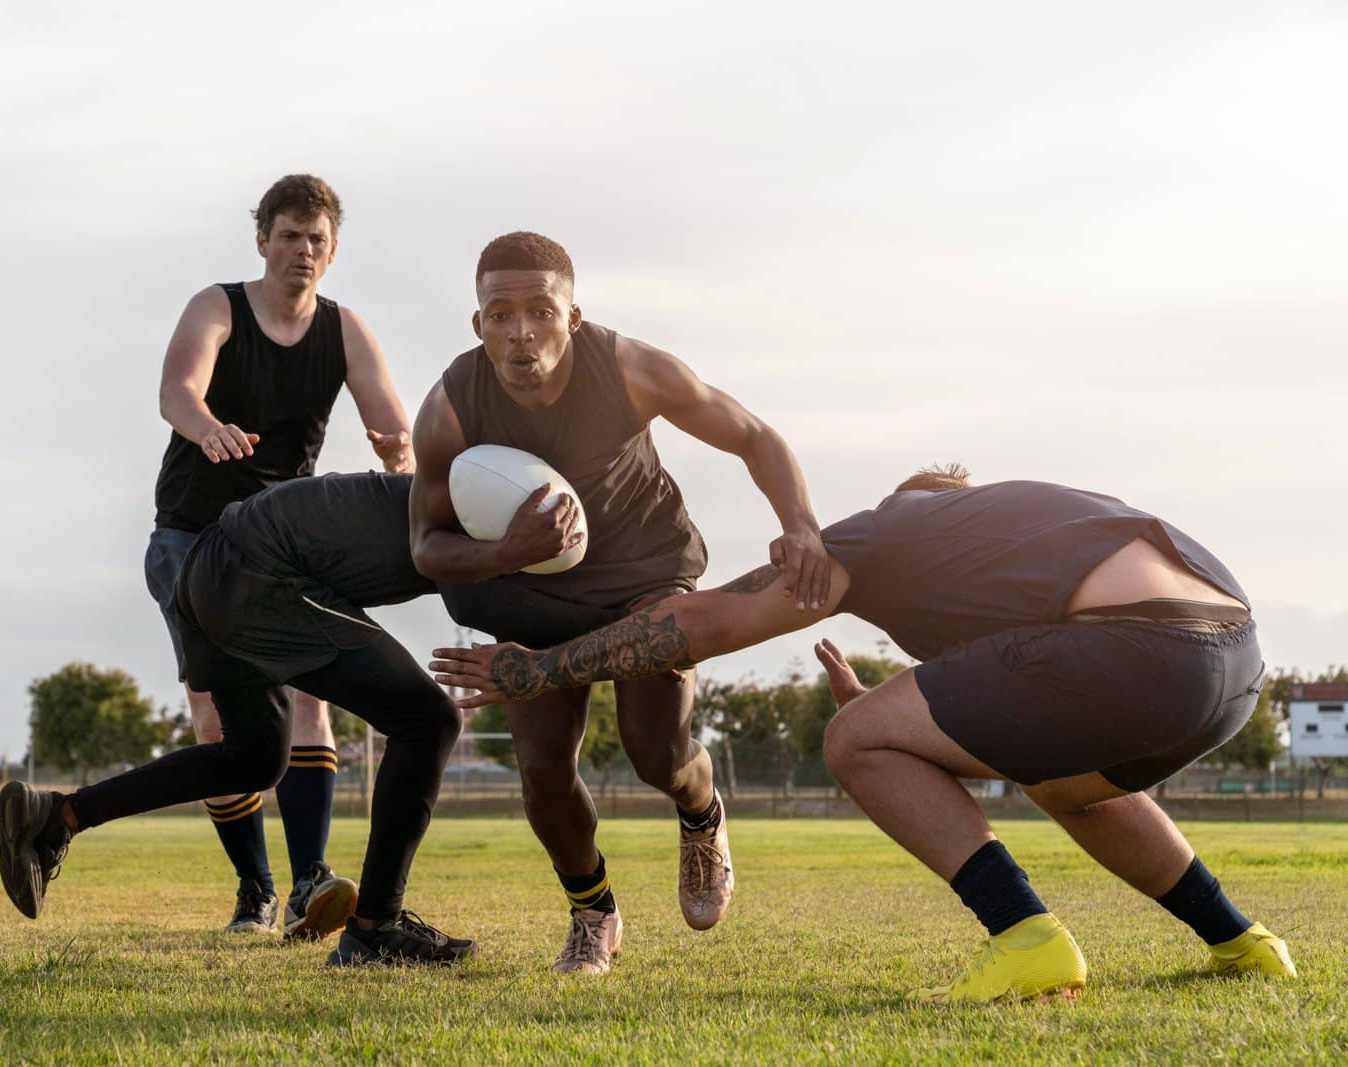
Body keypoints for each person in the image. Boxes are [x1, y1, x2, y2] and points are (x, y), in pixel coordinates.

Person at [431, 464, 1297, 1001]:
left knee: (854, 738)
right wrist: (904, 706)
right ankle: (1241, 940)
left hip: (1132, 645)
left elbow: (709, 620)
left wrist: (538, 671)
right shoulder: (1032, 523)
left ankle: (1027, 938)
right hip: (1232, 664)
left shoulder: (900, 524)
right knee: (1064, 783)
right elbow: (1028, 668)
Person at [408, 232, 831, 975]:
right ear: (478, 324)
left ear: (573, 317)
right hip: (531, 589)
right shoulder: (449, 407)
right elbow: (425, 544)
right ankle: (592, 911)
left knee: (654, 752)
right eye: (500, 314)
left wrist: (800, 525)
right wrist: (508, 550)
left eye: (541, 311)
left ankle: (701, 810)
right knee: (542, 769)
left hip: (644, 576)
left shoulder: (630, 369)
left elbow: (753, 435)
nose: (521, 331)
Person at [1, 472, 476, 965]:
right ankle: (375, 928)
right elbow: (494, 604)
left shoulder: (463, 494)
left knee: (254, 759)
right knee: (428, 719)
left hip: (214, 567)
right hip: (262, 571)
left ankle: (58, 816)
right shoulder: (486, 516)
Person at [148, 174, 415, 937]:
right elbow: (177, 388)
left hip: (286, 541)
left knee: (309, 695)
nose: (302, 249)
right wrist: (206, 426)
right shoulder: (218, 307)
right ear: (262, 239)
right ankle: (254, 888)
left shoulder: (345, 330)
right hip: (194, 537)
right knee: (213, 714)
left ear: (333, 250)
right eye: (289, 235)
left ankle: (308, 883)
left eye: (316, 239)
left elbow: (394, 427)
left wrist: (400, 457)